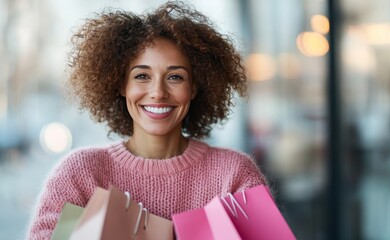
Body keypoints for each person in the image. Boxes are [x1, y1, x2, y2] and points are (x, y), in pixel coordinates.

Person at [26, 1, 267, 239]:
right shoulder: (80, 174)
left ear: (194, 88)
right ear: (121, 85)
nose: (158, 92)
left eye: (175, 77)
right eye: (142, 76)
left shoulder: (234, 175)